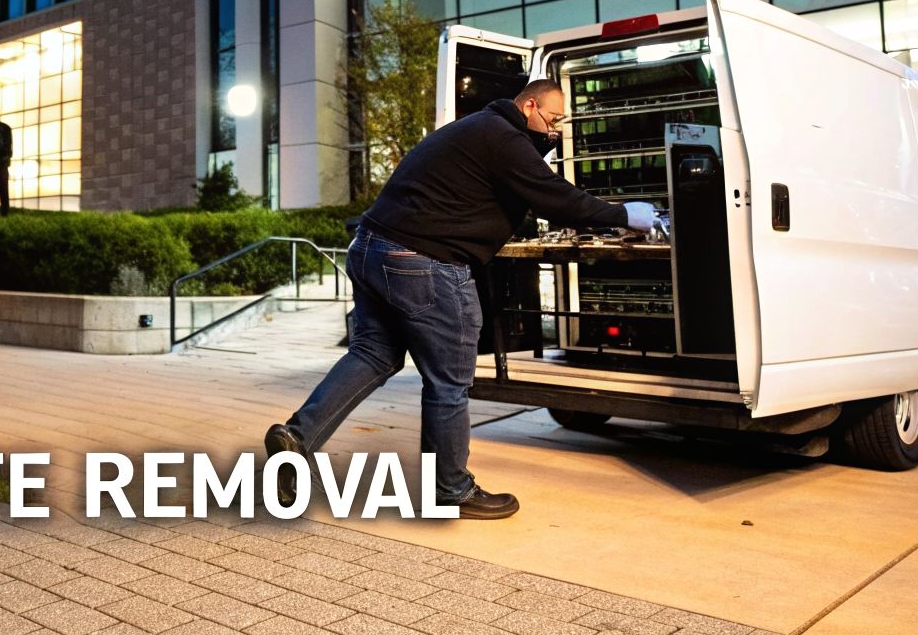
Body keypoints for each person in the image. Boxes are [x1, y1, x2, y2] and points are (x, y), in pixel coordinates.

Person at [266, 80, 659, 519]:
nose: (555, 131)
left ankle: (296, 439)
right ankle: (450, 489)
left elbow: (508, 186)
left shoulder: (480, 129)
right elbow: (555, 198)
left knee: (375, 354)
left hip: (372, 249)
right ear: (529, 106)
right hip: (424, 263)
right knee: (449, 381)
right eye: (552, 120)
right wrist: (627, 214)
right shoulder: (503, 137)